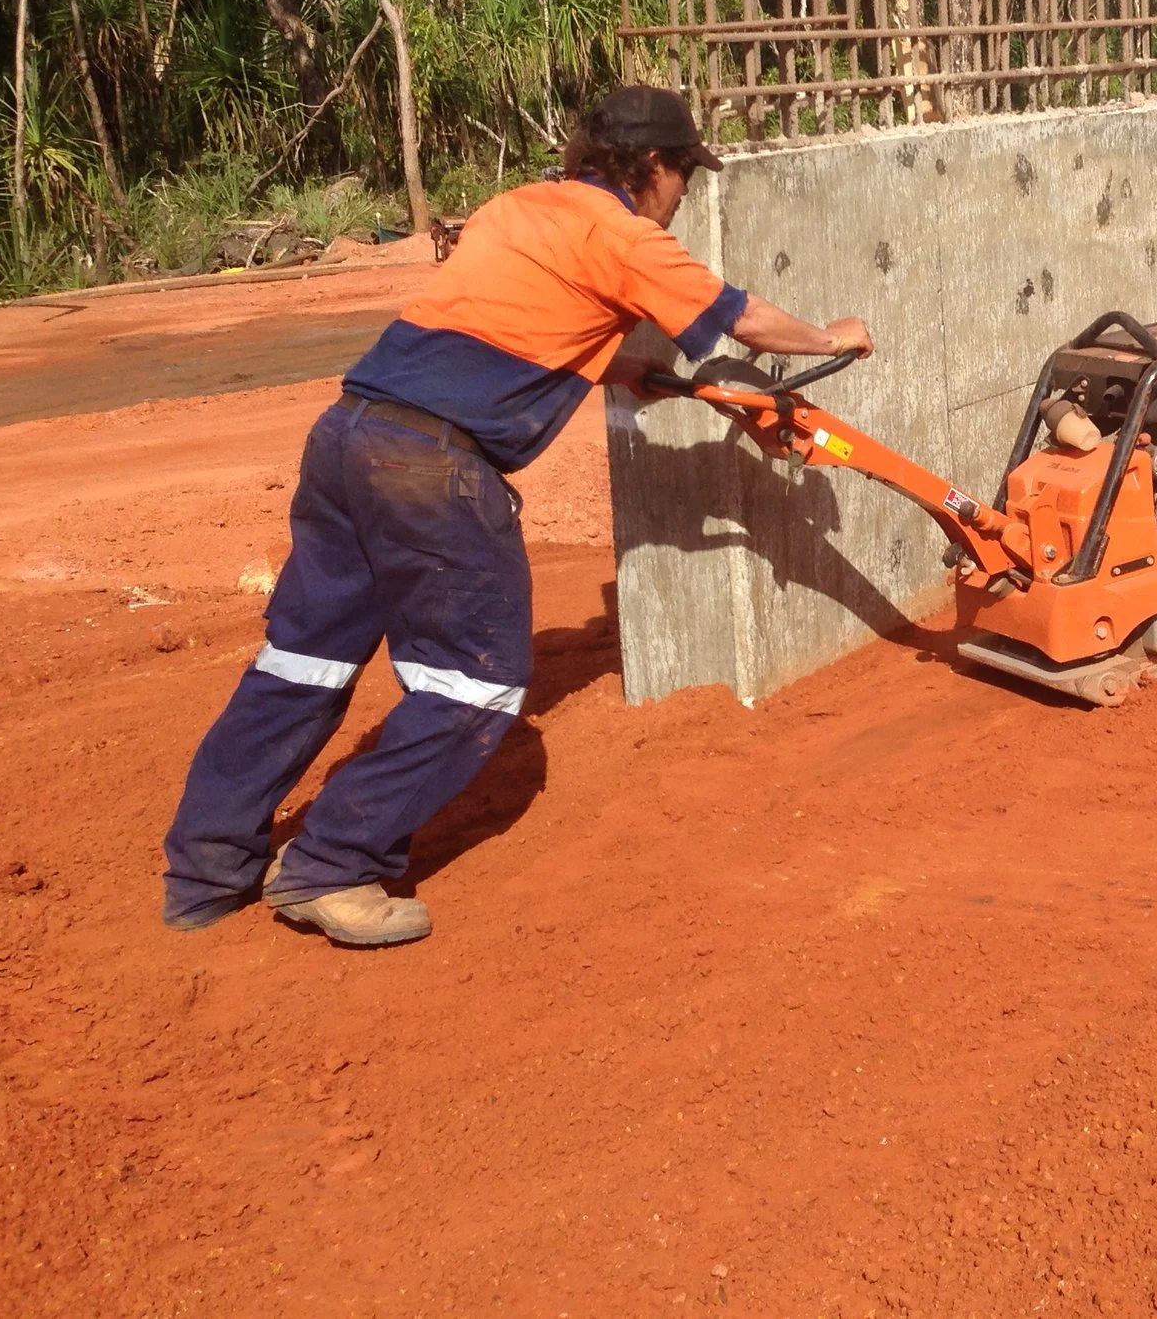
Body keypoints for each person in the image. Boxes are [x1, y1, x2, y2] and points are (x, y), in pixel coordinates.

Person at [160, 86, 871, 947]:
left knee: (304, 658)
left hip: (349, 435)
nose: (683, 194)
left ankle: (207, 865)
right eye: (684, 174)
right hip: (433, 471)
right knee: (479, 681)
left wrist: (617, 369)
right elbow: (745, 322)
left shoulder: (517, 208)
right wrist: (833, 337)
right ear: (652, 168)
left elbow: (506, 321)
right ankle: (336, 860)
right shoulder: (625, 233)